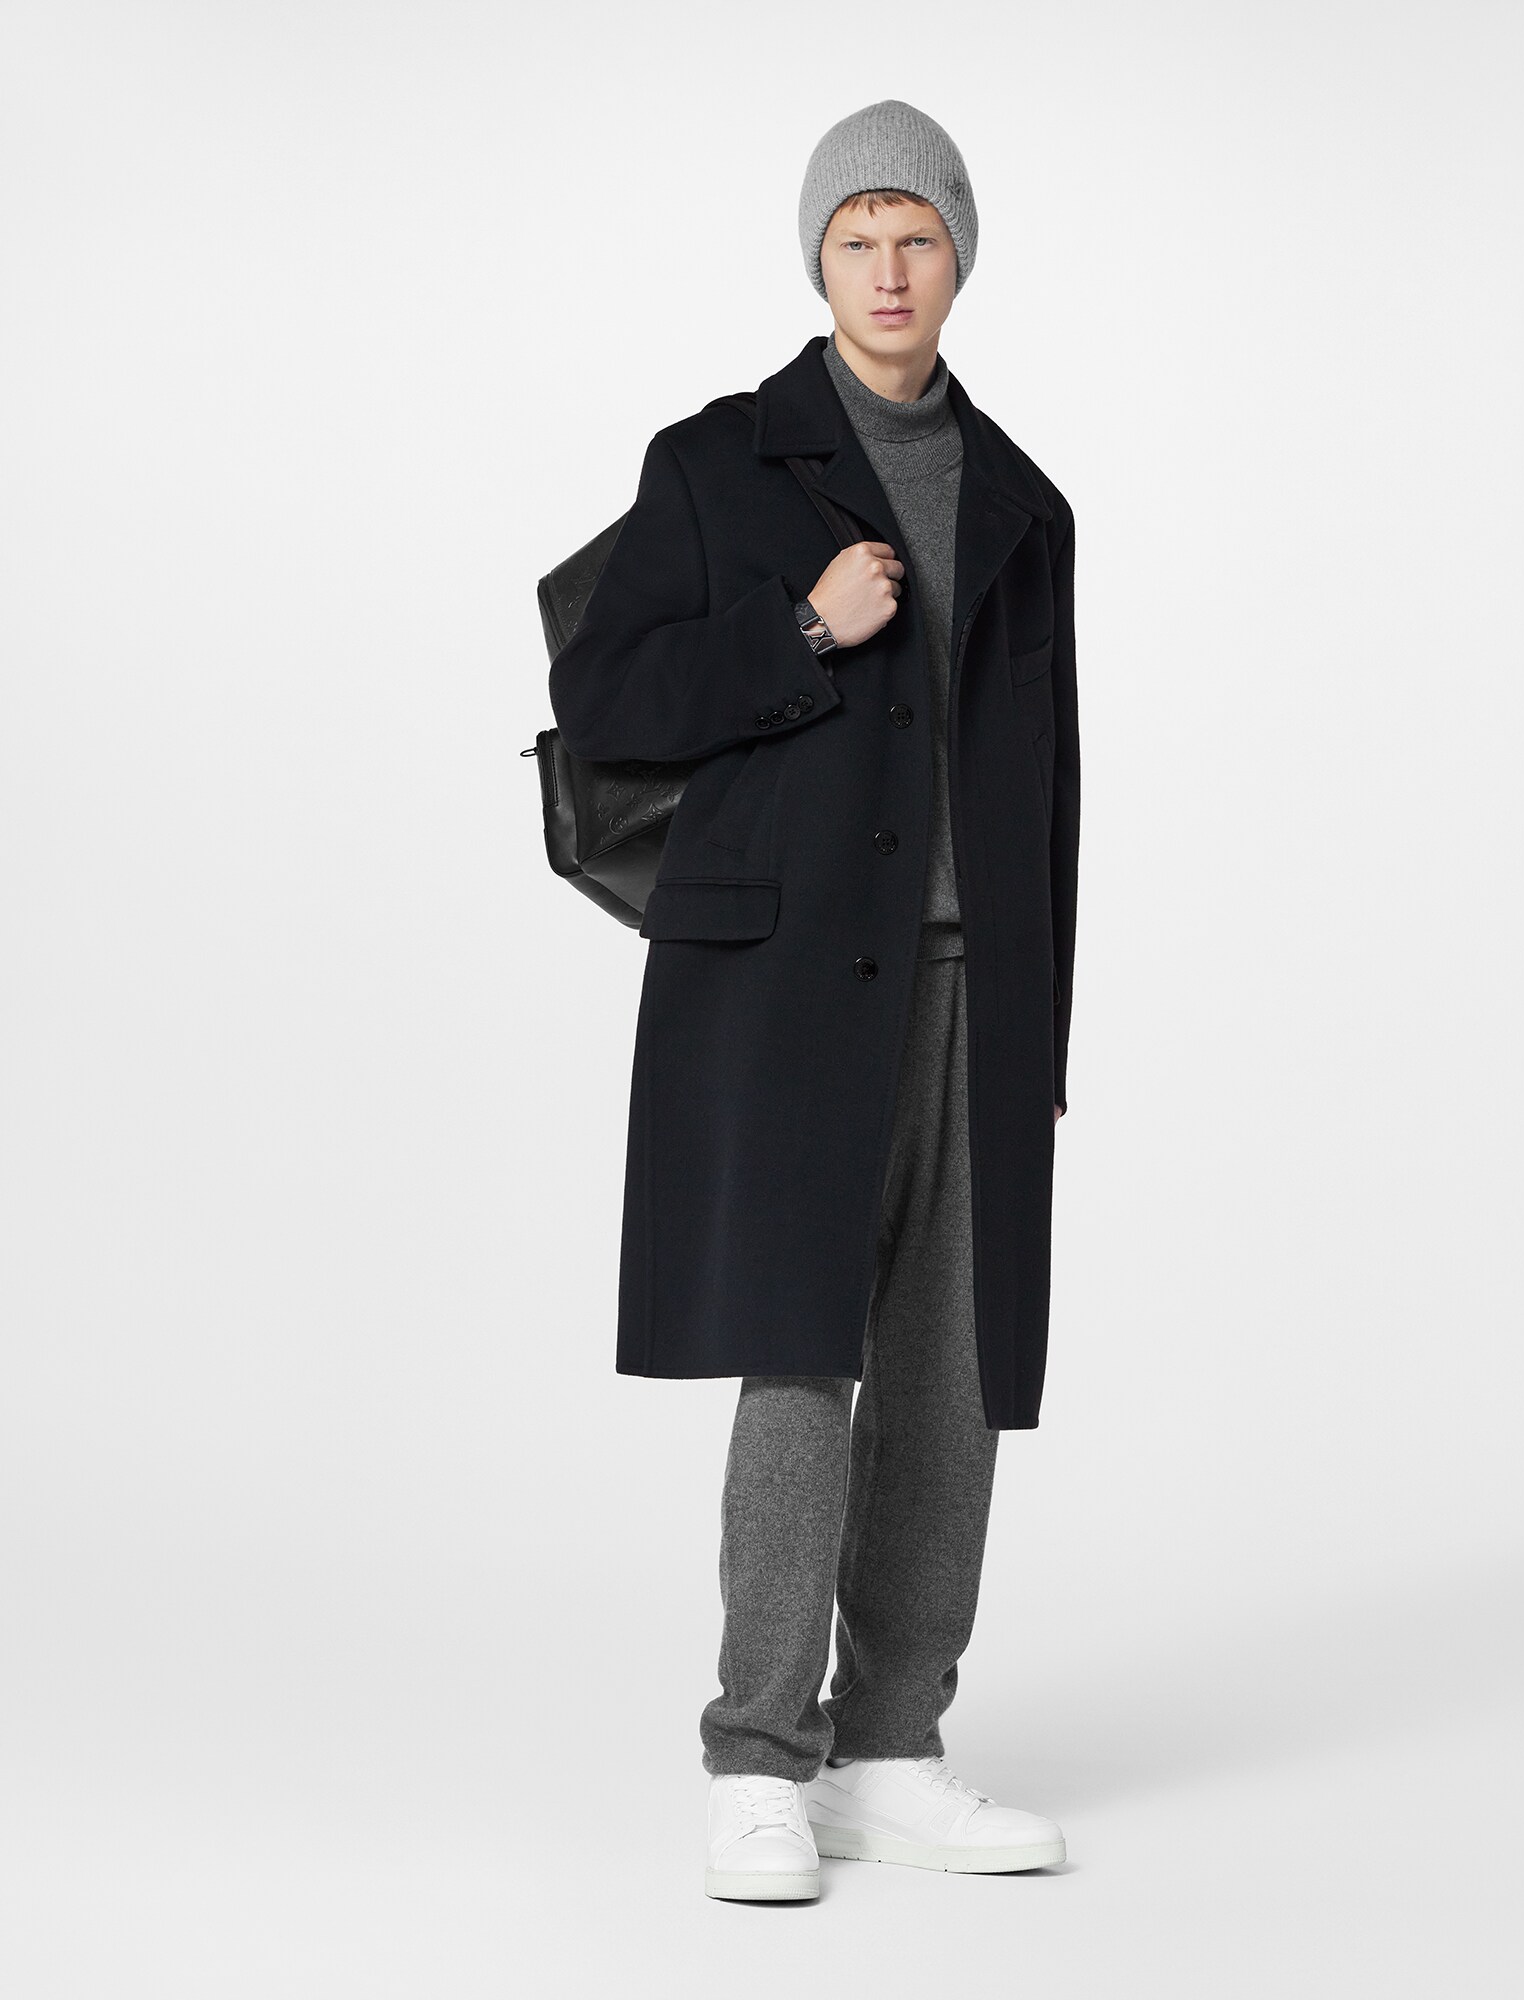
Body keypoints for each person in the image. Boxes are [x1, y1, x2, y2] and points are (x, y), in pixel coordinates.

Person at [547, 98, 1081, 1902]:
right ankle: (758, 1754)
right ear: (818, 262)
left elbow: (1050, 781)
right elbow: (607, 697)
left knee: (953, 1373)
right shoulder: (722, 463)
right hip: (790, 984)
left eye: (917, 235)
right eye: (857, 238)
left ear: (959, 259)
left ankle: (894, 1745)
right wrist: (799, 629)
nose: (889, 269)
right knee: (801, 1360)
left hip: (973, 989)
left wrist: (1045, 1026)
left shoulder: (1022, 499)